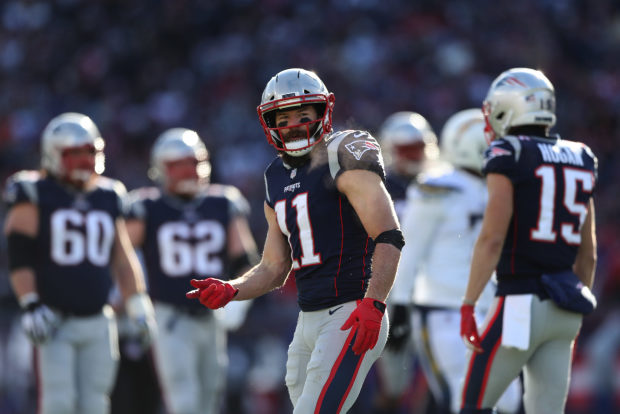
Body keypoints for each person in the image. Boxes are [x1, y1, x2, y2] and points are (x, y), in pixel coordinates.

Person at [187, 67, 403, 414]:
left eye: (304, 114)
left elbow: (389, 234)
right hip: (307, 320)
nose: (294, 124)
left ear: (323, 112)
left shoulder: (344, 152)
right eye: (284, 117)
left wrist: (373, 302)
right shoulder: (275, 175)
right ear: (269, 122)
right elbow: (273, 267)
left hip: (351, 311)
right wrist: (232, 289)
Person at [459, 68, 598, 414]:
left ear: (509, 106)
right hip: (566, 308)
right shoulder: (582, 156)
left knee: (473, 407)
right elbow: (589, 254)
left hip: (520, 305)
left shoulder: (510, 151)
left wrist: (468, 303)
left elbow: (492, 238)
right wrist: (571, 304)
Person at [2, 112, 156, 414]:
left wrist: (137, 300)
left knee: (96, 402)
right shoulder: (33, 191)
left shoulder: (109, 195)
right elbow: (20, 254)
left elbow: (122, 256)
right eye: (74, 154)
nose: (84, 162)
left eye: (89, 153)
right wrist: (30, 301)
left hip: (100, 319)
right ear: (53, 155)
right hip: (54, 318)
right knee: (58, 401)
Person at [390, 108, 522, 414]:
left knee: (506, 400)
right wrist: (398, 305)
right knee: (465, 398)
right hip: (445, 308)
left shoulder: (492, 187)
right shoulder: (439, 186)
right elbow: (411, 250)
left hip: (486, 308)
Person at [125, 127, 259, 414]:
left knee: (211, 397)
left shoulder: (223, 202)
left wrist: (239, 298)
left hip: (212, 314)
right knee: (183, 399)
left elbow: (245, 258)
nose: (188, 171)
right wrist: (132, 300)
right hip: (169, 315)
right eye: (179, 165)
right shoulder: (146, 206)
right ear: (161, 169)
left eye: (194, 163)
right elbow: (120, 256)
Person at [373, 111, 439, 413]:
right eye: (406, 149)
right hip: (391, 294)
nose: (414, 155)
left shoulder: (441, 184)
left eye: (418, 147)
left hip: (436, 293)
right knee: (393, 388)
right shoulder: (378, 188)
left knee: (439, 382)